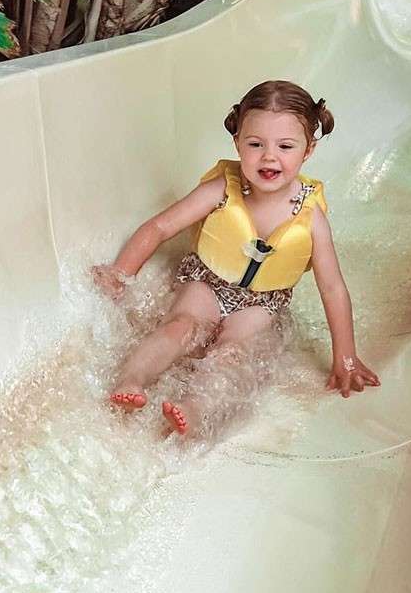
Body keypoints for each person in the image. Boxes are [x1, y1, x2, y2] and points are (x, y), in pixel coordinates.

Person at [91, 80, 380, 437]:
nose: (269, 157)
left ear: (308, 151)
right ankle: (131, 381)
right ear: (237, 143)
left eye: (285, 146)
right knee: (179, 326)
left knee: (233, 354)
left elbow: (333, 288)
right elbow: (160, 228)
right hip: (208, 283)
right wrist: (121, 274)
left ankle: (194, 409)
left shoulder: (311, 218)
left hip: (260, 303)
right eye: (255, 144)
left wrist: (345, 357)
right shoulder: (221, 190)